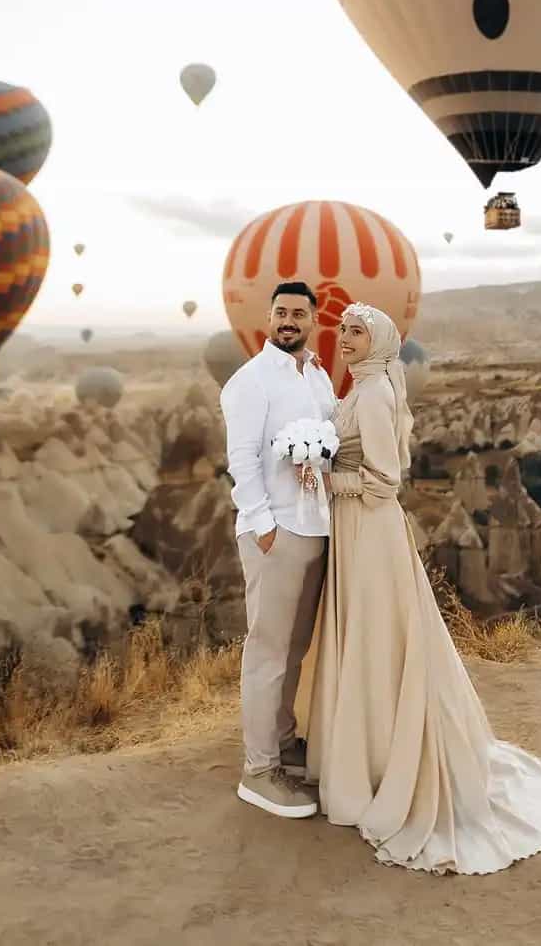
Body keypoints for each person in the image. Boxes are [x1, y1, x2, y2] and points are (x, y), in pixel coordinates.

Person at [302, 301, 541, 875]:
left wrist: (326, 476)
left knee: (376, 638)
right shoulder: (364, 386)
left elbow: (382, 482)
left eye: (356, 332)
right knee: (375, 638)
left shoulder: (372, 395)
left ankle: (375, 761)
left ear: (377, 343)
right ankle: (368, 752)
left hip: (368, 530)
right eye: (342, 330)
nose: (344, 339)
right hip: (357, 534)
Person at [219, 281, 336, 819]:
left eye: (299, 313)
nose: (289, 320)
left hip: (315, 528)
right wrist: (264, 526)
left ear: (314, 319)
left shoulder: (315, 374)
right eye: (281, 312)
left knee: (294, 649)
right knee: (267, 651)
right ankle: (259, 770)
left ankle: (284, 742)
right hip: (277, 532)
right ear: (268, 317)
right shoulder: (251, 381)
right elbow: (241, 461)